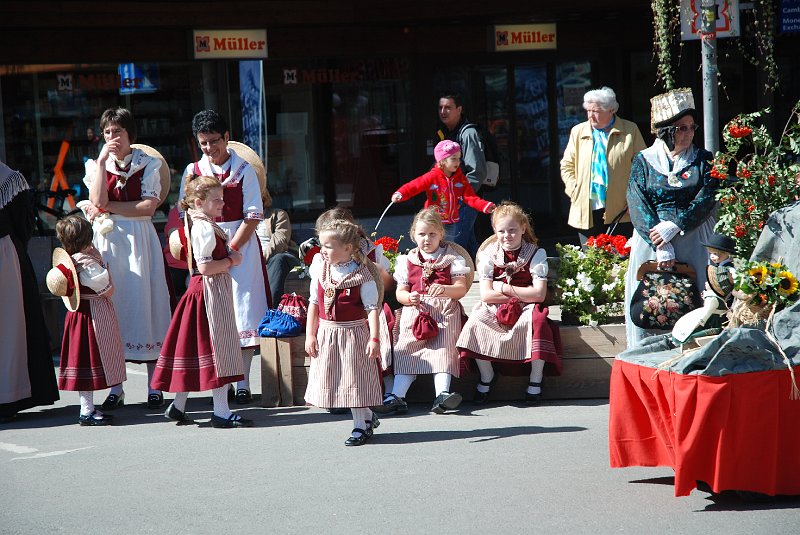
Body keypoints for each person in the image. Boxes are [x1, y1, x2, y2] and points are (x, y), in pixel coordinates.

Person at [82, 107, 171, 411]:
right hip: (109, 242)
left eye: (117, 131)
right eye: (107, 132)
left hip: (139, 241)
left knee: (146, 306)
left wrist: (110, 209)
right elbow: (96, 201)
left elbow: (148, 207)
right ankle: (116, 387)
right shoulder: (97, 165)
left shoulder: (150, 163)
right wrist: (104, 163)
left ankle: (154, 386)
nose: (112, 137)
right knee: (114, 310)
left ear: (130, 134)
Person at [182, 110, 270, 405]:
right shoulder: (193, 171)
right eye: (203, 143)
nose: (209, 148)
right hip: (207, 246)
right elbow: (186, 212)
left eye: (214, 141)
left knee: (243, 312)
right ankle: (222, 381)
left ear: (227, 137)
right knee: (215, 315)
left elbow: (253, 216)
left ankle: (242, 381)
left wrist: (230, 248)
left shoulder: (244, 170)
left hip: (240, 247)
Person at [152, 174, 253, 428]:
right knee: (219, 349)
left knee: (195, 349)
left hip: (204, 290)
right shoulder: (204, 227)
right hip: (208, 290)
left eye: (222, 198)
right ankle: (221, 411)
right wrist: (232, 260)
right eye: (216, 200)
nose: (222, 204)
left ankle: (178, 406)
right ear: (198, 202)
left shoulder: (196, 221)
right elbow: (205, 266)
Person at [624, 88, 720, 349]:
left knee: (699, 302)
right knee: (651, 303)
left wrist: (678, 224)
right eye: (681, 128)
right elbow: (636, 200)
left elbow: (707, 196)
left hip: (695, 237)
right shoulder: (643, 161)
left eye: (691, 127)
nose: (689, 133)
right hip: (652, 241)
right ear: (666, 130)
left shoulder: (702, 159)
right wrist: (660, 241)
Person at [456, 201, 561, 404]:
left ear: (523, 228)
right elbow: (486, 295)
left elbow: (539, 295)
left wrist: (504, 288)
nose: (507, 236)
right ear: (495, 231)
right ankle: (487, 376)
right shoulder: (488, 255)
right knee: (475, 322)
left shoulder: (535, 253)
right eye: (501, 231)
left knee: (537, 322)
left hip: (527, 307)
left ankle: (535, 380)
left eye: (512, 230)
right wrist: (524, 293)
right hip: (497, 305)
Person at [375, 207, 471, 415]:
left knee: (443, 348)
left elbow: (461, 288)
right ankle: (397, 396)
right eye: (421, 234)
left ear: (441, 235)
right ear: (413, 235)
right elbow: (400, 292)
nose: (426, 239)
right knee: (406, 349)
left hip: (444, 312)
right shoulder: (407, 260)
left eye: (432, 234)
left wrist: (445, 289)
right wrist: (409, 298)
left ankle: (443, 394)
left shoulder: (451, 258)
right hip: (416, 312)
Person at [304, 218, 383, 446]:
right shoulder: (320, 269)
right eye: (322, 245)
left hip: (353, 334)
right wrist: (310, 334)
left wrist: (374, 338)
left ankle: (360, 426)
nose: (323, 250)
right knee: (338, 380)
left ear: (348, 248)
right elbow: (314, 304)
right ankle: (367, 417)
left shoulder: (362, 276)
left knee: (354, 380)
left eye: (328, 246)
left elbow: (372, 309)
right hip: (328, 333)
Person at [48, 216, 126, 426]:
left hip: (77, 314)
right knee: (90, 360)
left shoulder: (72, 261)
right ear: (88, 237)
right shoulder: (89, 264)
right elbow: (108, 289)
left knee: (83, 360)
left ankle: (87, 408)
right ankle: (87, 411)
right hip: (93, 315)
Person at [0, 161, 59, 422]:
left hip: (6, 259)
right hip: (6, 256)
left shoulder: (9, 180)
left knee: (10, 329)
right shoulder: (9, 179)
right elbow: (23, 225)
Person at [560, 86, 646, 241]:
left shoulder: (629, 130)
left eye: (596, 112)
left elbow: (642, 167)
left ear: (611, 110)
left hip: (620, 206)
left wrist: (634, 198)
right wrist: (574, 189)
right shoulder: (578, 131)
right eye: (588, 110)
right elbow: (567, 165)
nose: (591, 116)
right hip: (587, 206)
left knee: (619, 257)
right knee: (590, 259)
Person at [391, 139, 495, 247]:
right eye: (454, 159)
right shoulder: (432, 177)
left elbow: (470, 197)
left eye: (459, 159)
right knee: (431, 246)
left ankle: (447, 263)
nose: (458, 162)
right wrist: (401, 193)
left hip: (451, 223)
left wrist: (485, 206)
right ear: (442, 161)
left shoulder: (461, 179)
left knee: (448, 248)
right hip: (433, 221)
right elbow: (414, 186)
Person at [436, 91, 488, 258]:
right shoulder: (448, 133)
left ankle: (459, 281)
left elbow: (477, 171)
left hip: (464, 200)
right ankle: (487, 274)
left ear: (459, 110)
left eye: (448, 107)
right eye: (441, 107)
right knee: (470, 246)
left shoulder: (467, 133)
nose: (443, 111)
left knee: (456, 246)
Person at [255, 189, 298, 307]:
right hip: (256, 262)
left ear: (264, 198)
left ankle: (272, 309)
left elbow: (279, 242)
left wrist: (259, 260)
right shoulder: (243, 221)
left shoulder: (278, 214)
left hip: (281, 257)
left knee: (278, 259)